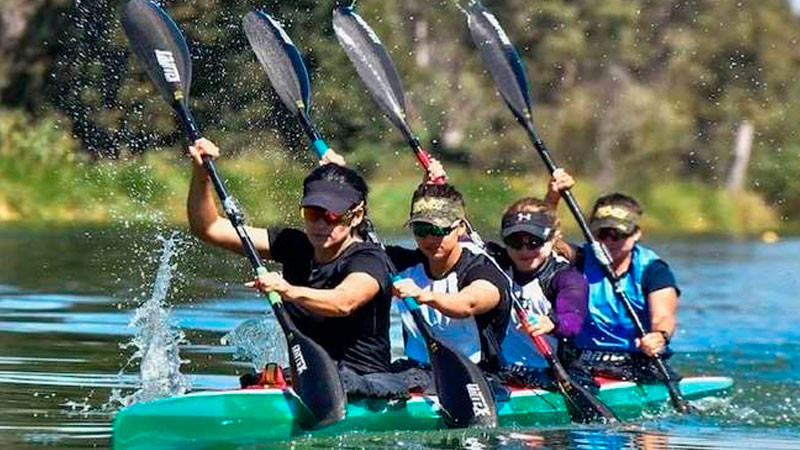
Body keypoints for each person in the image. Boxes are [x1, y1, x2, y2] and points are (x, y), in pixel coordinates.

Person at [186, 138, 405, 398]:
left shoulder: (369, 260)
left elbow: (344, 302)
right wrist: (202, 173)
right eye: (312, 214)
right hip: (308, 378)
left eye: (332, 216)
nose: (321, 224)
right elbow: (209, 228)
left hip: (363, 383)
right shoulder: (293, 245)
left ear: (356, 216)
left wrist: (288, 290)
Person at [547, 169, 681, 382]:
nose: (609, 241)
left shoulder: (653, 270)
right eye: (602, 233)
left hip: (636, 361)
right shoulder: (579, 259)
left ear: (636, 234)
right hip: (581, 360)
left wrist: (659, 336)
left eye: (618, 234)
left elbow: (663, 317)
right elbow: (544, 241)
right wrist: (553, 197)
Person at [386, 182, 513, 385]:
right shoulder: (403, 263)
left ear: (461, 227)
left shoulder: (481, 270)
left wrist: (424, 295)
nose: (430, 238)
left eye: (439, 229)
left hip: (476, 376)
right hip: (414, 371)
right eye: (421, 229)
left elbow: (468, 303)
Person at [484, 197, 589, 389]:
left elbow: (572, 320)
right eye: (515, 241)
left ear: (553, 237)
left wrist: (552, 323)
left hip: (555, 373)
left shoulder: (566, 277)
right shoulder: (494, 262)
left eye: (534, 241)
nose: (524, 250)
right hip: (504, 372)